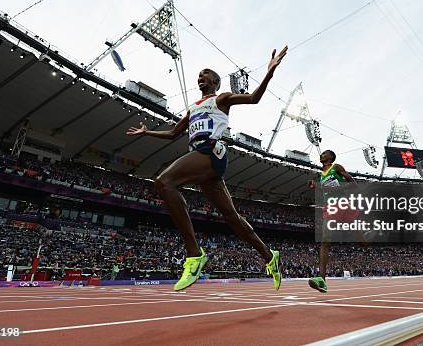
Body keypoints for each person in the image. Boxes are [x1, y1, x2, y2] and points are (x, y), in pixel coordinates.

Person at [127, 46, 288, 291]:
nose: (199, 77)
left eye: (204, 74)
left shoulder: (221, 98)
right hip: (202, 159)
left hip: (211, 152)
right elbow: (172, 133)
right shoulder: (193, 108)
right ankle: (269, 256)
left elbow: (255, 98)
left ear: (214, 80)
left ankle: (194, 254)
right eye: (198, 75)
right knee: (231, 217)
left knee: (164, 182)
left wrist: (270, 72)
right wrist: (147, 131)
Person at [307, 150, 355, 292]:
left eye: (325, 153)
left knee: (362, 239)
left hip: (343, 203)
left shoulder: (336, 167)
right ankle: (322, 280)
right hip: (330, 207)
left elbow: (351, 182)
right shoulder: (322, 175)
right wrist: (316, 186)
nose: (322, 154)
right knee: (325, 240)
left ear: (331, 157)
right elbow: (327, 189)